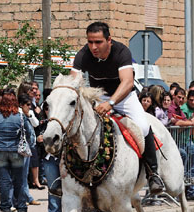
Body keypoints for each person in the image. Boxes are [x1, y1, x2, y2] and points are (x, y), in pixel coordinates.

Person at [69, 22, 164, 194]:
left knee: (142, 127)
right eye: (90, 42)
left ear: (109, 40)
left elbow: (127, 82)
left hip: (124, 96)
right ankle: (68, 174)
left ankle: (153, 173)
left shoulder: (121, 51)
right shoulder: (82, 55)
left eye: (98, 42)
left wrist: (110, 103)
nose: (93, 47)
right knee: (76, 125)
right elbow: (73, 81)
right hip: (98, 95)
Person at [0, 91, 34, 212]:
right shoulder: (20, 117)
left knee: (4, 180)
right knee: (18, 179)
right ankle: (21, 206)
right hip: (16, 150)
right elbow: (28, 133)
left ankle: (5, 206)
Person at [17, 93, 40, 208]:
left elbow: (36, 124)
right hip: (22, 147)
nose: (29, 107)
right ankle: (24, 198)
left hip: (30, 146)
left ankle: (26, 196)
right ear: (21, 105)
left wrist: (29, 115)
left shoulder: (28, 114)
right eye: (27, 104)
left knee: (24, 174)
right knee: (21, 175)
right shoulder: (18, 114)